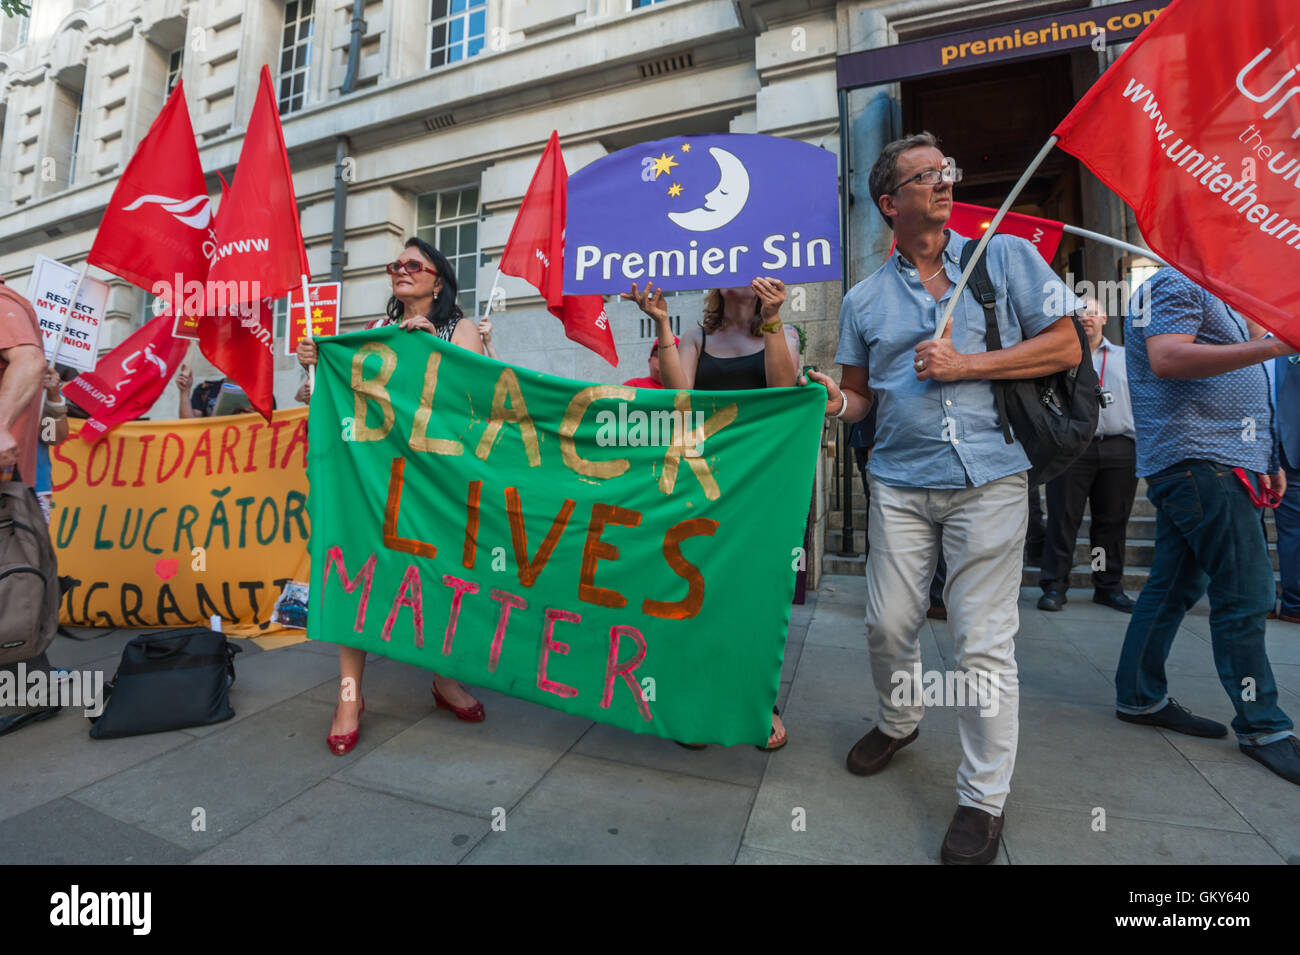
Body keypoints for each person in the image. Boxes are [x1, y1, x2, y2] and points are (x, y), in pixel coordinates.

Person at [806, 131, 1083, 865]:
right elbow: (863, 402)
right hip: (899, 482)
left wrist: (968, 364)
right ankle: (900, 718)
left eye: (945, 170)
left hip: (992, 477)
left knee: (981, 642)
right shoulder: (864, 299)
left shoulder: (1006, 257)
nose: (944, 181)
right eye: (925, 175)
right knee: (886, 623)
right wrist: (832, 401)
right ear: (890, 204)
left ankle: (981, 799)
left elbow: (1066, 346)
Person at [298, 237, 488, 755]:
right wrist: (314, 365)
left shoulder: (461, 328)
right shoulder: (373, 335)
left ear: (438, 278)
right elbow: (325, 404)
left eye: (412, 264)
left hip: (440, 482)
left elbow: (480, 395)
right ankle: (349, 696)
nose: (400, 271)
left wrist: (433, 347)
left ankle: (444, 679)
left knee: (443, 574)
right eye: (394, 265)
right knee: (357, 572)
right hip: (376, 481)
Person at [1114, 268, 1299, 785]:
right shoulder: (1178, 282)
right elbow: (1167, 357)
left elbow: (1240, 387)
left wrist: (1268, 457)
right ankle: (1264, 727)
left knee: (1172, 588)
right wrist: (1271, 346)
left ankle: (1138, 697)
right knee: (1246, 595)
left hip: (1220, 461)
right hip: (1201, 463)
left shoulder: (1226, 290)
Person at [626, 277, 799, 751]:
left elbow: (784, 389)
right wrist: (662, 323)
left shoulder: (783, 331)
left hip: (760, 484)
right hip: (704, 482)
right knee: (698, 591)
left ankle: (758, 701)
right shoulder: (698, 337)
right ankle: (696, 695)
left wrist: (773, 320)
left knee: (753, 595)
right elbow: (678, 395)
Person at [1038, 296, 1138, 613]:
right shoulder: (1060, 357)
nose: (1086, 318)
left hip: (1118, 447)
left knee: (1110, 523)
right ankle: (1054, 585)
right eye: (1080, 313)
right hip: (1071, 450)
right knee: (1062, 519)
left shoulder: (1125, 358)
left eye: (1093, 312)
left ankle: (1106, 585)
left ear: (1105, 318)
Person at [1271, 354, 1300, 623]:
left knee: (1295, 533)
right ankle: (1264, 601)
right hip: (1244, 448)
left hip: (1291, 452)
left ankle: (1294, 603)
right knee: (1249, 529)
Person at [34, 366, 72, 522]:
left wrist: (53, 396)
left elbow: (53, 436)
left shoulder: (41, 379)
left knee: (29, 546)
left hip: (33, 488)